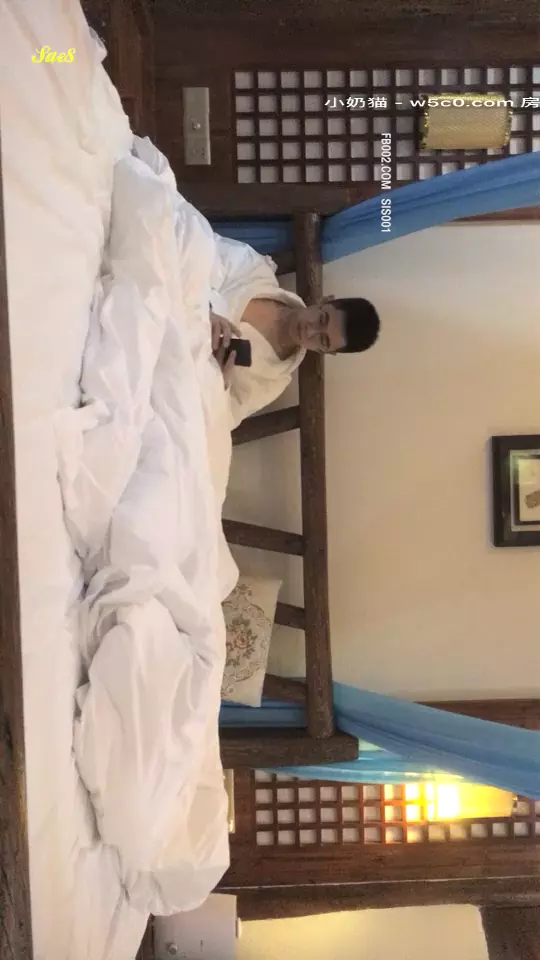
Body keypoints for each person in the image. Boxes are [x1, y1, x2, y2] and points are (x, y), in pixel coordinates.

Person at [208, 234, 380, 428]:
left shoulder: (272, 381)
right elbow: (202, 250)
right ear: (324, 300)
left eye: (322, 340)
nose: (310, 331)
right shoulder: (256, 271)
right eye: (321, 319)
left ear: (326, 351)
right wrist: (205, 308)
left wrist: (219, 384)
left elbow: (223, 420)